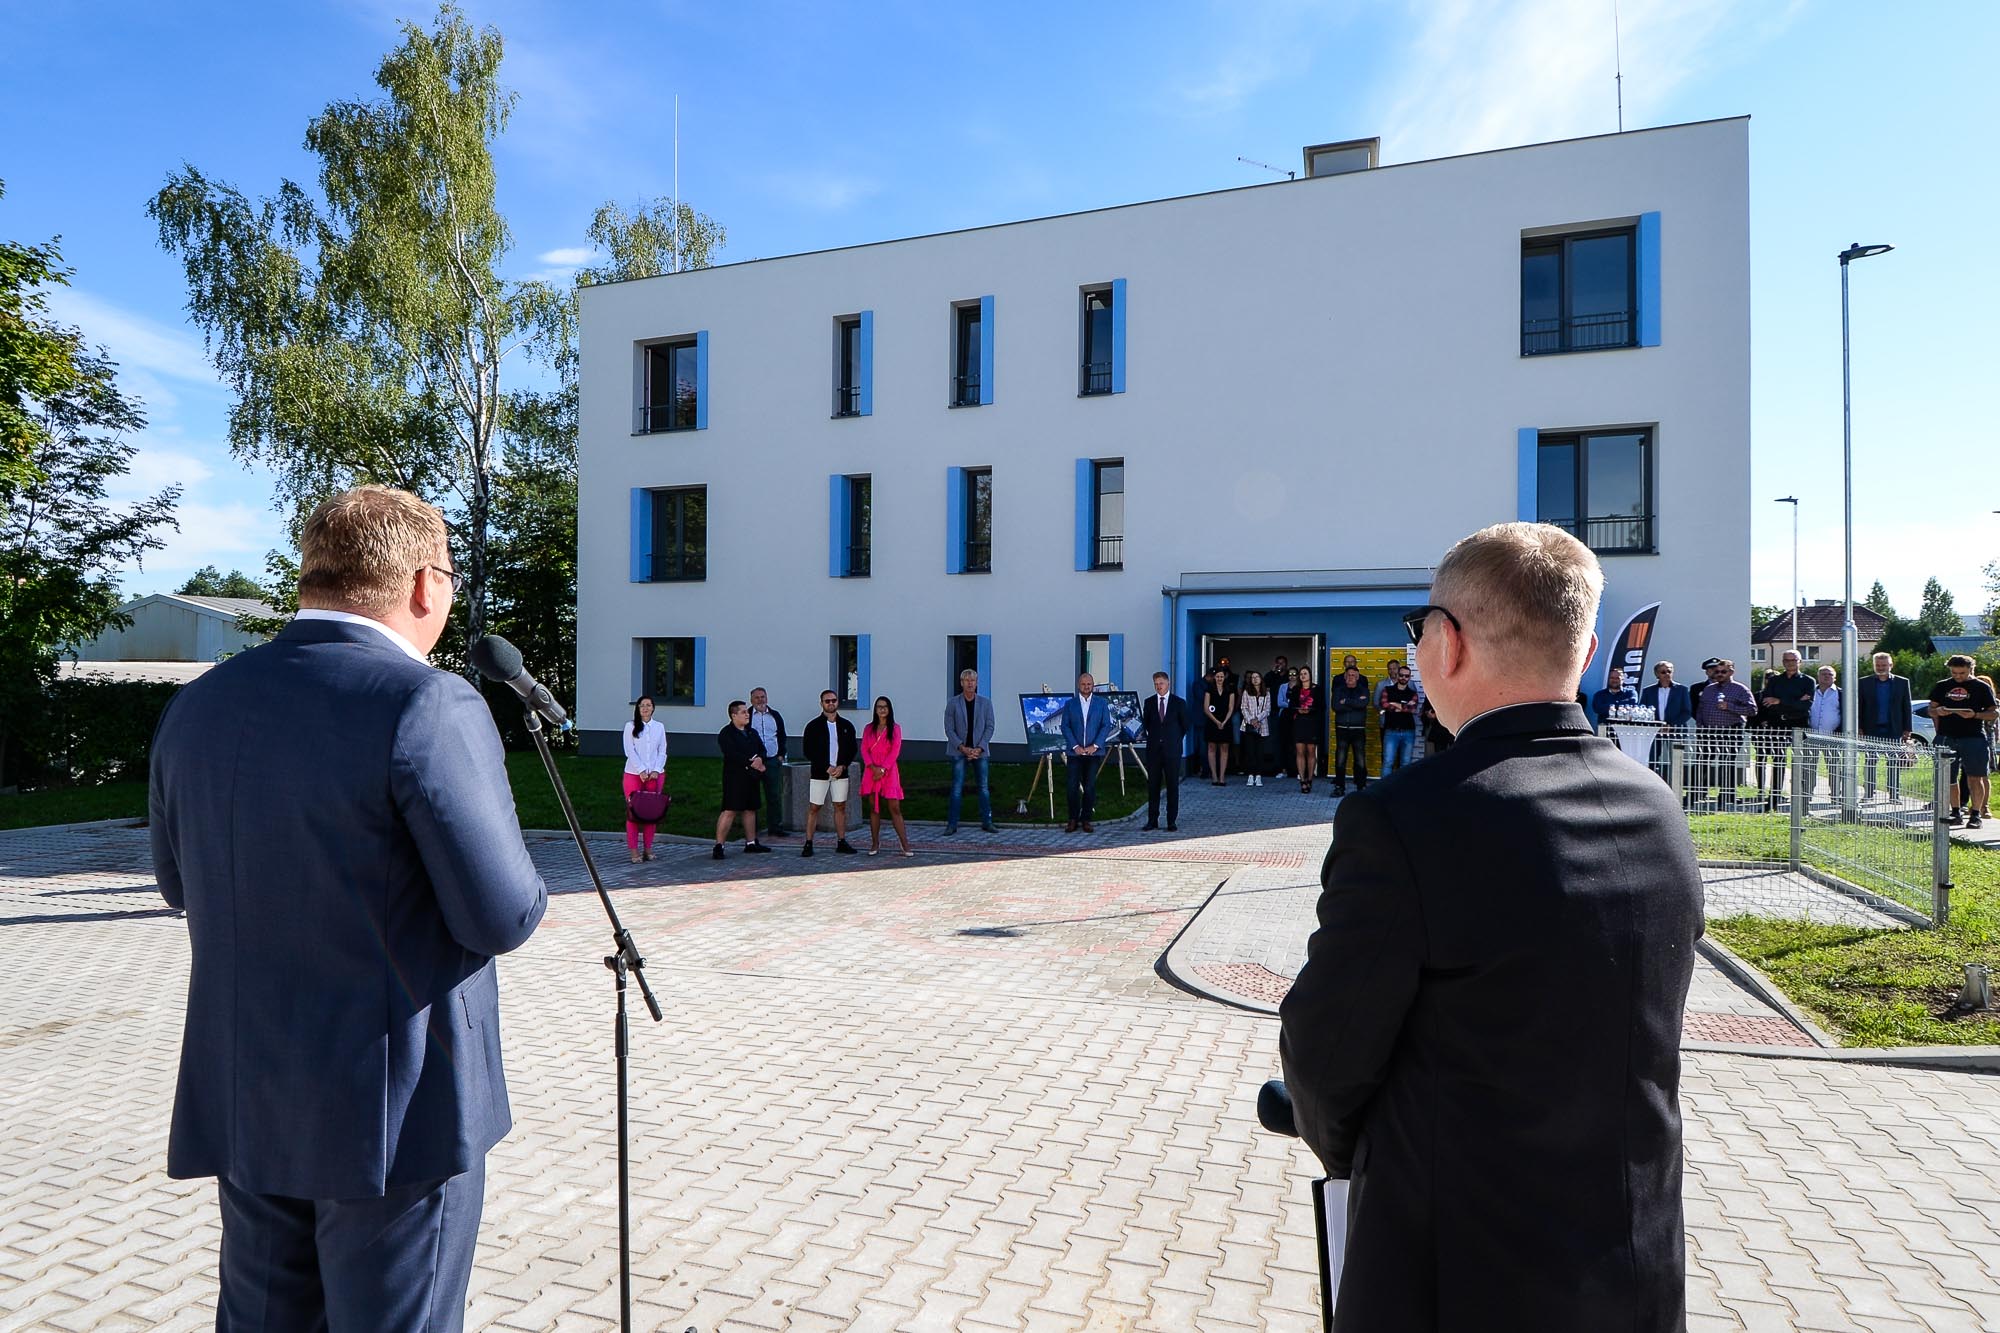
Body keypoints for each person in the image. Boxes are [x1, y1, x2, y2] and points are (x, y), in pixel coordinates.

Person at [1279, 521, 1702, 1330]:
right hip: (1635, 1272)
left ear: (1447, 644)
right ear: (1582, 656)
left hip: (1462, 1276)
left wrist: (1348, 1150)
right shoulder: (1659, 809)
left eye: (1417, 631)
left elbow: (1324, 1052)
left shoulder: (1406, 819)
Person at [148, 485, 548, 1331]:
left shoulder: (198, 705)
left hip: (250, 1095)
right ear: (420, 583)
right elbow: (500, 915)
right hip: (394, 1120)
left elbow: (180, 888)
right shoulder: (426, 701)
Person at [1929, 655, 1998, 829]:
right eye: (1954, 672)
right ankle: (1955, 812)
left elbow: (1993, 713)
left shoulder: (1981, 687)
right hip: (1946, 737)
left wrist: (1975, 715)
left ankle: (1975, 814)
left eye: (1962, 673)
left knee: (1976, 777)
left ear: (1971, 670)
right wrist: (1938, 711)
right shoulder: (1942, 686)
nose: (1958, 676)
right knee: (1948, 777)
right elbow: (1931, 709)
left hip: (1973, 736)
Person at [800, 690, 859, 856]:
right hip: (820, 773)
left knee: (840, 806)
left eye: (833, 700)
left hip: (840, 773)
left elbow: (852, 749)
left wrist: (843, 766)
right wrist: (825, 766)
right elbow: (808, 750)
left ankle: (841, 841)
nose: (831, 703)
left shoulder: (846, 725)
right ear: (821, 703)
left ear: (837, 702)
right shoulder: (813, 726)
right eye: (827, 701)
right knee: (814, 807)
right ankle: (809, 843)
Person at [1693, 659, 1757, 809]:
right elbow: (1701, 708)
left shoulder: (1740, 689)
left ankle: (1726, 796)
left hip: (1731, 731)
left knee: (1726, 764)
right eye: (1717, 672)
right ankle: (1698, 793)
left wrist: (1730, 707)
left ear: (1731, 672)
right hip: (1709, 732)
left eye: (1723, 672)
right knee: (1703, 762)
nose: (1719, 674)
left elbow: (1752, 710)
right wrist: (1700, 725)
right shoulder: (1709, 689)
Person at [1753, 651, 1813, 811]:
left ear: (1800, 661)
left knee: (1801, 764)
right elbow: (1766, 702)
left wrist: (1780, 701)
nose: (1790, 663)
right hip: (1777, 726)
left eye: (1793, 660)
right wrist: (1794, 702)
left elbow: (1805, 706)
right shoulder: (1774, 681)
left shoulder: (1808, 681)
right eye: (1786, 660)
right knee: (1778, 762)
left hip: (1798, 727)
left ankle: (1802, 803)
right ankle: (1772, 802)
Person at [713, 701, 773, 858]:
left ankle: (751, 843)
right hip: (735, 777)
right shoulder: (726, 733)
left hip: (752, 777)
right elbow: (731, 753)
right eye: (743, 712)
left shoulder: (752, 732)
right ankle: (719, 845)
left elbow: (762, 749)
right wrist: (750, 762)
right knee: (730, 809)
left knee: (750, 808)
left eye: (747, 712)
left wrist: (760, 759)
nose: (747, 714)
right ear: (734, 715)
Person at [944, 668, 997, 834]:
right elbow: (949, 729)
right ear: (961, 683)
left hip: (980, 751)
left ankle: (987, 821)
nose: (970, 683)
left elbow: (990, 727)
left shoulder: (986, 703)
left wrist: (979, 748)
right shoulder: (953, 703)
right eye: (966, 680)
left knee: (983, 787)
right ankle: (952, 824)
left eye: (972, 680)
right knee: (957, 788)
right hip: (959, 751)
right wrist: (962, 747)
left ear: (976, 683)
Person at [1856, 652, 1914, 801]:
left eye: (1884, 665)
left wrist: (1908, 729)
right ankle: (1868, 794)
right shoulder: (1864, 682)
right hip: (1871, 729)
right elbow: (1859, 706)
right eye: (1878, 665)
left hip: (1894, 729)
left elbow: (1906, 706)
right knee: (1870, 762)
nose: (1881, 668)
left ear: (1891, 665)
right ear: (1874, 665)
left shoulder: (1902, 682)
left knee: (1894, 763)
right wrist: (1859, 727)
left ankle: (1894, 796)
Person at [859, 696, 913, 855]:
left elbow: (895, 750)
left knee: (894, 807)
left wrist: (883, 769)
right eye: (879, 707)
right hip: (871, 770)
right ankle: (875, 843)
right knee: (874, 807)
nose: (882, 709)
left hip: (888, 771)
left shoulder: (895, 728)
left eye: (885, 707)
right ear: (875, 710)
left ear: (889, 710)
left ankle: (904, 844)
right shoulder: (868, 728)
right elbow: (864, 749)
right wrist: (872, 766)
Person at [1061, 671, 1114, 832]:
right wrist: (1075, 746)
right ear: (1079, 685)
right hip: (1075, 753)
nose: (1086, 687)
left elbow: (1106, 725)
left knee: (1090, 787)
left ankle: (1086, 819)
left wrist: (1096, 745)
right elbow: (1065, 726)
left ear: (1093, 685)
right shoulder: (1070, 704)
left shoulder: (1101, 703)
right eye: (1083, 684)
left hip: (1093, 753)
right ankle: (1072, 818)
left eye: (1089, 684)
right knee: (1072, 787)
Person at [1142, 671, 1191, 830]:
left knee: (1172, 786)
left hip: (1172, 750)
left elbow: (1184, 726)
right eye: (1156, 684)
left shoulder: (1178, 703)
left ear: (1168, 683)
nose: (1159, 686)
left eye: (1161, 683)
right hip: (1154, 750)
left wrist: (1173, 739)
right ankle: (1152, 820)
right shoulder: (1149, 702)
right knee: (1153, 786)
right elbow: (1147, 724)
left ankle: (1171, 820)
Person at [622, 695, 668, 862]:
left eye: (648, 705)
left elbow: (662, 750)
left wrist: (656, 770)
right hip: (634, 774)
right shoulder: (631, 726)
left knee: (651, 812)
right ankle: (634, 851)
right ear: (638, 709)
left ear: (653, 708)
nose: (645, 708)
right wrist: (641, 769)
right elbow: (629, 750)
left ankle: (648, 849)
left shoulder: (659, 727)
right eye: (642, 706)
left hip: (655, 775)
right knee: (634, 813)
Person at [1639, 661, 1694, 783]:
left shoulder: (1682, 690)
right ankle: (1651, 784)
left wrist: (1671, 725)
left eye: (1669, 671)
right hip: (1654, 732)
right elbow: (1643, 710)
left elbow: (1687, 711)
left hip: (1675, 731)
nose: (1667, 674)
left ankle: (1675, 785)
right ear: (1657, 674)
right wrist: (1655, 725)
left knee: (1675, 761)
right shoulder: (1648, 691)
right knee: (1652, 759)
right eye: (1663, 672)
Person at [747, 686, 789, 837]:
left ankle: (775, 827)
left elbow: (782, 735)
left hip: (772, 760)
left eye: (763, 697)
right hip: (753, 762)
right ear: (751, 700)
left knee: (774, 795)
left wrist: (780, 755)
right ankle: (753, 829)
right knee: (753, 795)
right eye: (757, 697)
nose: (760, 700)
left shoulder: (775, 715)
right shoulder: (748, 716)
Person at [1329, 659, 1371, 796]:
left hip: (1358, 730)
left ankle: (1361, 786)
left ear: (1358, 677)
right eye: (1348, 675)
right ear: (1345, 677)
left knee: (1360, 760)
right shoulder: (1339, 690)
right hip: (1342, 729)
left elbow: (1363, 704)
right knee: (1340, 760)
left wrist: (1346, 701)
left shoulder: (1363, 689)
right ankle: (1339, 787)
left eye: (1353, 675)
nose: (1350, 677)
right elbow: (1336, 706)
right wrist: (1354, 703)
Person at [1802, 665, 1843, 804]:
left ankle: (1836, 796)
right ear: (1818, 676)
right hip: (1811, 736)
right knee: (1809, 767)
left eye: (1829, 674)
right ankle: (1807, 795)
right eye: (1823, 674)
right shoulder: (1809, 692)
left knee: (1834, 767)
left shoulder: (1841, 693)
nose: (1826, 676)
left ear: (1835, 677)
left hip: (1832, 737)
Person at [1378, 661, 1420, 776]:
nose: (1403, 678)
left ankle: (1401, 791)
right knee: (1388, 762)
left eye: (1406, 676)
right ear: (1398, 675)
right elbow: (1384, 705)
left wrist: (1396, 705)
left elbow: (1413, 709)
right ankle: (1384, 792)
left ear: (1409, 677)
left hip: (1408, 731)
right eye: (1401, 675)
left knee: (1405, 764)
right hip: (1391, 730)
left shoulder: (1413, 693)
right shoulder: (1387, 689)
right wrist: (1405, 705)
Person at [1202, 665, 1236, 787]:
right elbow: (1206, 708)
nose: (1220, 678)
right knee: (1211, 748)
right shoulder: (1209, 689)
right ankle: (1214, 776)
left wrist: (1225, 721)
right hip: (1212, 722)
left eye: (1222, 676)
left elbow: (1231, 707)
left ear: (1225, 677)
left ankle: (1222, 777)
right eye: (1217, 676)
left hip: (1226, 722)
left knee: (1224, 749)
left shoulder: (1230, 690)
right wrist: (1216, 722)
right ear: (1214, 677)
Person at [1291, 667, 1323, 793]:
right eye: (1301, 674)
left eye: (1305, 673)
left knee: (1311, 751)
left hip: (1312, 722)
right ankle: (1302, 780)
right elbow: (1291, 705)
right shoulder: (1296, 689)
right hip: (1299, 722)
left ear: (1310, 675)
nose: (1303, 676)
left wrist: (1310, 710)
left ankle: (1310, 778)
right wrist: (1298, 710)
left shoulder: (1317, 689)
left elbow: (1322, 706)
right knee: (1300, 751)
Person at [1239, 671, 1270, 786]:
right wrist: (1251, 720)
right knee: (1250, 751)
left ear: (1261, 679)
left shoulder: (1266, 693)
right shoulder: (1247, 692)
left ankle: (1258, 776)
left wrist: (1257, 719)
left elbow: (1267, 709)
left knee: (1259, 752)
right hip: (1248, 725)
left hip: (1262, 726)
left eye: (1257, 677)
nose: (1255, 679)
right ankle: (1250, 775)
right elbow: (1243, 707)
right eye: (1253, 677)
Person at [1587, 666, 1639, 731]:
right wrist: (1621, 706)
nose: (1614, 680)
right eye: (1612, 678)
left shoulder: (1631, 693)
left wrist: (1610, 707)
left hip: (1626, 730)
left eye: (1617, 678)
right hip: (1605, 729)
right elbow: (1598, 709)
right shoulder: (1599, 694)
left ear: (1623, 679)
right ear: (1608, 679)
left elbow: (1632, 706)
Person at [1270, 654, 1294, 779]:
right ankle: (1279, 768)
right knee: (1278, 742)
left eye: (1282, 663)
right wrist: (1273, 671)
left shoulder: (1289, 677)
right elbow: (1265, 681)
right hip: (1276, 713)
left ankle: (1293, 769)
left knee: (1293, 742)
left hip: (1293, 715)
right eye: (1278, 662)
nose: (1280, 665)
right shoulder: (1272, 676)